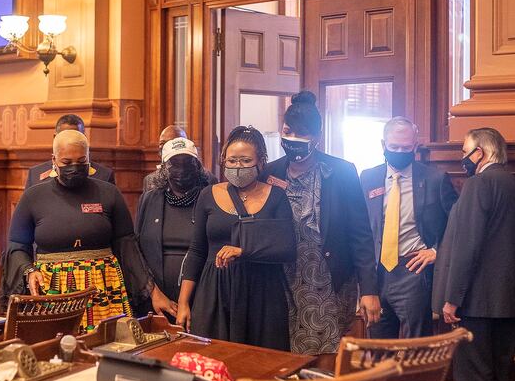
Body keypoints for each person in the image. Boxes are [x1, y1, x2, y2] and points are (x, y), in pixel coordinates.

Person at [260, 91, 380, 362]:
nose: (292, 140)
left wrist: (369, 290)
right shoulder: (269, 172)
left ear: (316, 137)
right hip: (280, 280)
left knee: (323, 355)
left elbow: (360, 234)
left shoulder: (342, 172)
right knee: (281, 357)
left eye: (301, 135)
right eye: (287, 131)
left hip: (328, 279)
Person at [0, 130, 159, 331]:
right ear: (54, 160)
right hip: (53, 289)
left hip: (103, 287)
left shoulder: (109, 193)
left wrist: (149, 288)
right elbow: (17, 245)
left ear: (89, 158)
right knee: (55, 347)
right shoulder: (33, 197)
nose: (74, 168)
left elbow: (126, 243)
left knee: (107, 345)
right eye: (66, 163)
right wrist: (29, 271)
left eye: (81, 161)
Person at [176, 126, 296, 351]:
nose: (237, 167)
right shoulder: (208, 194)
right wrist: (184, 302)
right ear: (223, 161)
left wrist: (244, 250)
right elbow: (196, 251)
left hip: (262, 292)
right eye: (231, 161)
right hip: (215, 290)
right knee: (212, 360)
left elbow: (287, 247)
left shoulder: (277, 196)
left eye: (245, 160)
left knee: (260, 363)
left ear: (260, 161)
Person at [432, 128, 515, 381]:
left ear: (481, 153)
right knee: (501, 377)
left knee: (473, 378)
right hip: (508, 304)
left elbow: (467, 246)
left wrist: (452, 299)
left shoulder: (478, 184)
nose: (462, 158)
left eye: (465, 152)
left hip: (475, 303)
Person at [360, 117, 458, 339]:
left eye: (406, 148)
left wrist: (436, 251)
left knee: (417, 347)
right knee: (378, 346)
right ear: (383, 145)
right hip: (377, 271)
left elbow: (457, 223)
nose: (400, 151)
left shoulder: (435, 179)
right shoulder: (368, 177)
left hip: (413, 270)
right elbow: (361, 227)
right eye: (394, 147)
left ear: (415, 146)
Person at [135, 137, 215, 320]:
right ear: (163, 168)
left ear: (198, 166)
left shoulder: (210, 198)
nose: (181, 170)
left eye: (188, 163)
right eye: (174, 164)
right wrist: (153, 292)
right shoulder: (149, 199)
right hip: (156, 301)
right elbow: (136, 250)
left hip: (202, 297)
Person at [25, 114, 115, 189]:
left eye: (76, 136)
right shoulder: (36, 174)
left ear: (84, 138)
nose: (70, 140)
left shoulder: (104, 175)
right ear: (55, 138)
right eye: (66, 162)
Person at [143, 126, 187, 192]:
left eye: (169, 143)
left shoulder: (200, 178)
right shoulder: (150, 180)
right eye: (162, 143)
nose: (164, 147)